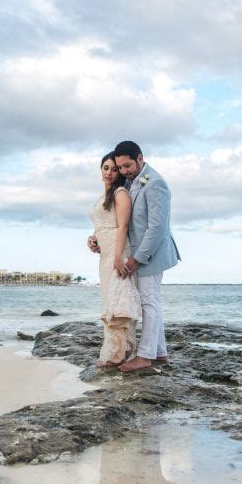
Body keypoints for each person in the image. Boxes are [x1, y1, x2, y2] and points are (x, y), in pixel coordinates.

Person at [89, 141, 181, 373]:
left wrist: (136, 259)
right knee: (149, 301)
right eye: (120, 167)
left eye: (127, 165)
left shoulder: (156, 183)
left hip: (152, 254)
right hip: (137, 252)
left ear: (140, 158)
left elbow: (156, 228)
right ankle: (160, 352)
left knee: (149, 302)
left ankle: (145, 356)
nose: (124, 171)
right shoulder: (132, 181)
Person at [89, 152, 141, 367]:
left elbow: (123, 227)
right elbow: (102, 225)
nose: (109, 173)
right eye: (105, 168)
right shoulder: (103, 197)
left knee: (118, 302)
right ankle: (116, 352)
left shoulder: (121, 194)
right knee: (109, 300)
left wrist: (119, 257)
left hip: (117, 253)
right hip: (105, 254)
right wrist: (93, 239)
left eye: (113, 168)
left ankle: (117, 355)